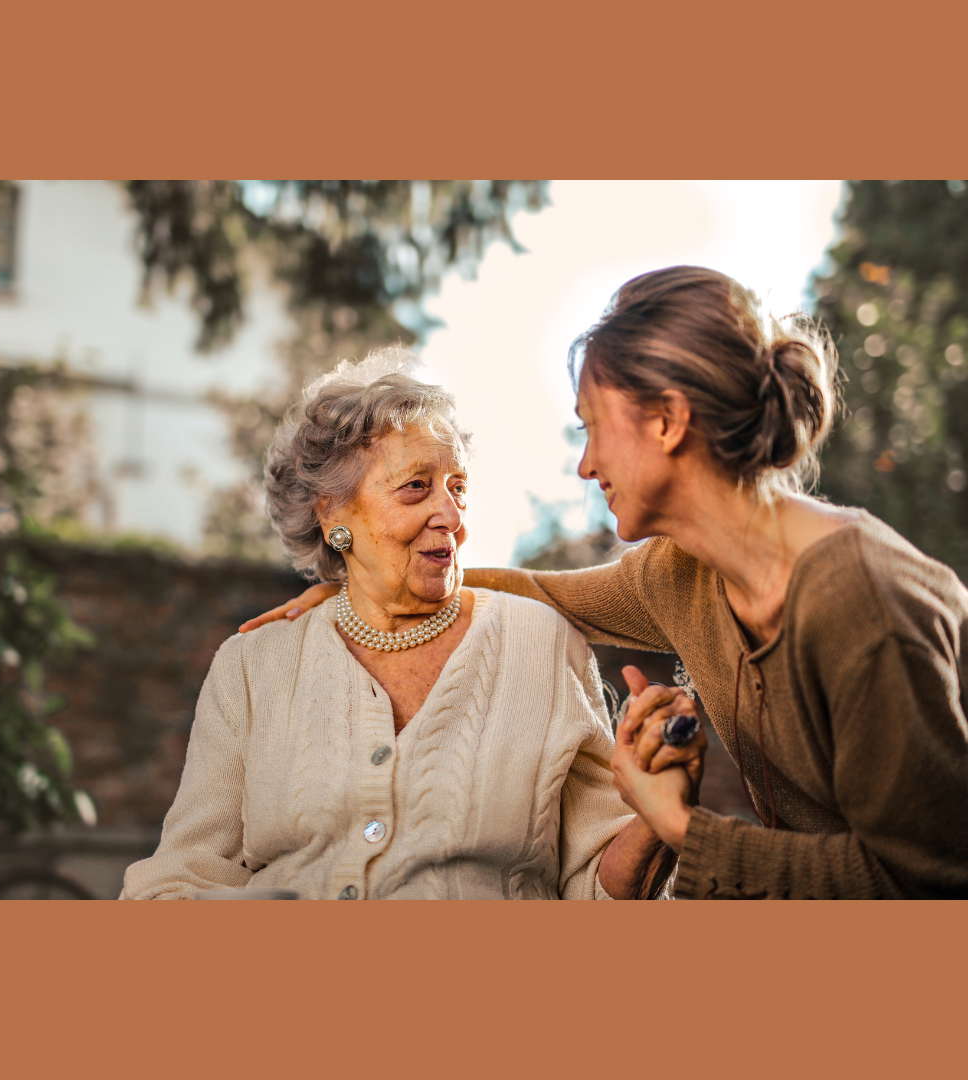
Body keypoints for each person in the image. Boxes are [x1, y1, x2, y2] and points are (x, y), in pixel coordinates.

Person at [243, 268, 968, 900]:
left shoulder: (861, 603)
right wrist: (369, 588)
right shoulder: (682, 574)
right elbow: (546, 593)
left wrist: (680, 825)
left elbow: (925, 880)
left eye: (593, 426)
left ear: (667, 421)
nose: (586, 465)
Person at [122, 347, 703, 901]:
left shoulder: (543, 644)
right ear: (332, 514)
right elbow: (181, 874)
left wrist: (656, 819)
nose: (450, 517)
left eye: (459, 489)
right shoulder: (253, 666)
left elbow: (596, 890)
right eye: (416, 488)